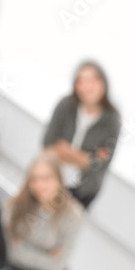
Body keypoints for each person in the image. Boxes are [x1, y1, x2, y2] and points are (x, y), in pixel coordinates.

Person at [42, 60, 122, 209]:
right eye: (81, 81)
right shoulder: (65, 105)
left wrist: (64, 150)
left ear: (103, 83)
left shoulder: (112, 120)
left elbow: (99, 164)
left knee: (66, 228)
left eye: (93, 80)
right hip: (51, 180)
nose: (87, 86)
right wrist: (84, 158)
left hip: (83, 191)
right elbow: (47, 144)